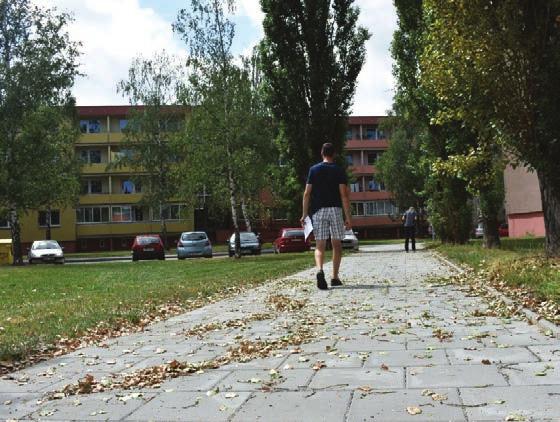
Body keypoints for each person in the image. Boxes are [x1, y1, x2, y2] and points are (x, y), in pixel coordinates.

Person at [301, 143, 352, 290]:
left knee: (320, 245)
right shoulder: (338, 170)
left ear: (322, 153)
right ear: (334, 154)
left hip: (318, 211)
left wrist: (304, 214)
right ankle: (335, 278)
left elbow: (307, 193)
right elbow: (344, 195)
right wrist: (348, 217)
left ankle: (319, 270)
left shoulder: (313, 170)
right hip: (335, 209)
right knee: (337, 244)